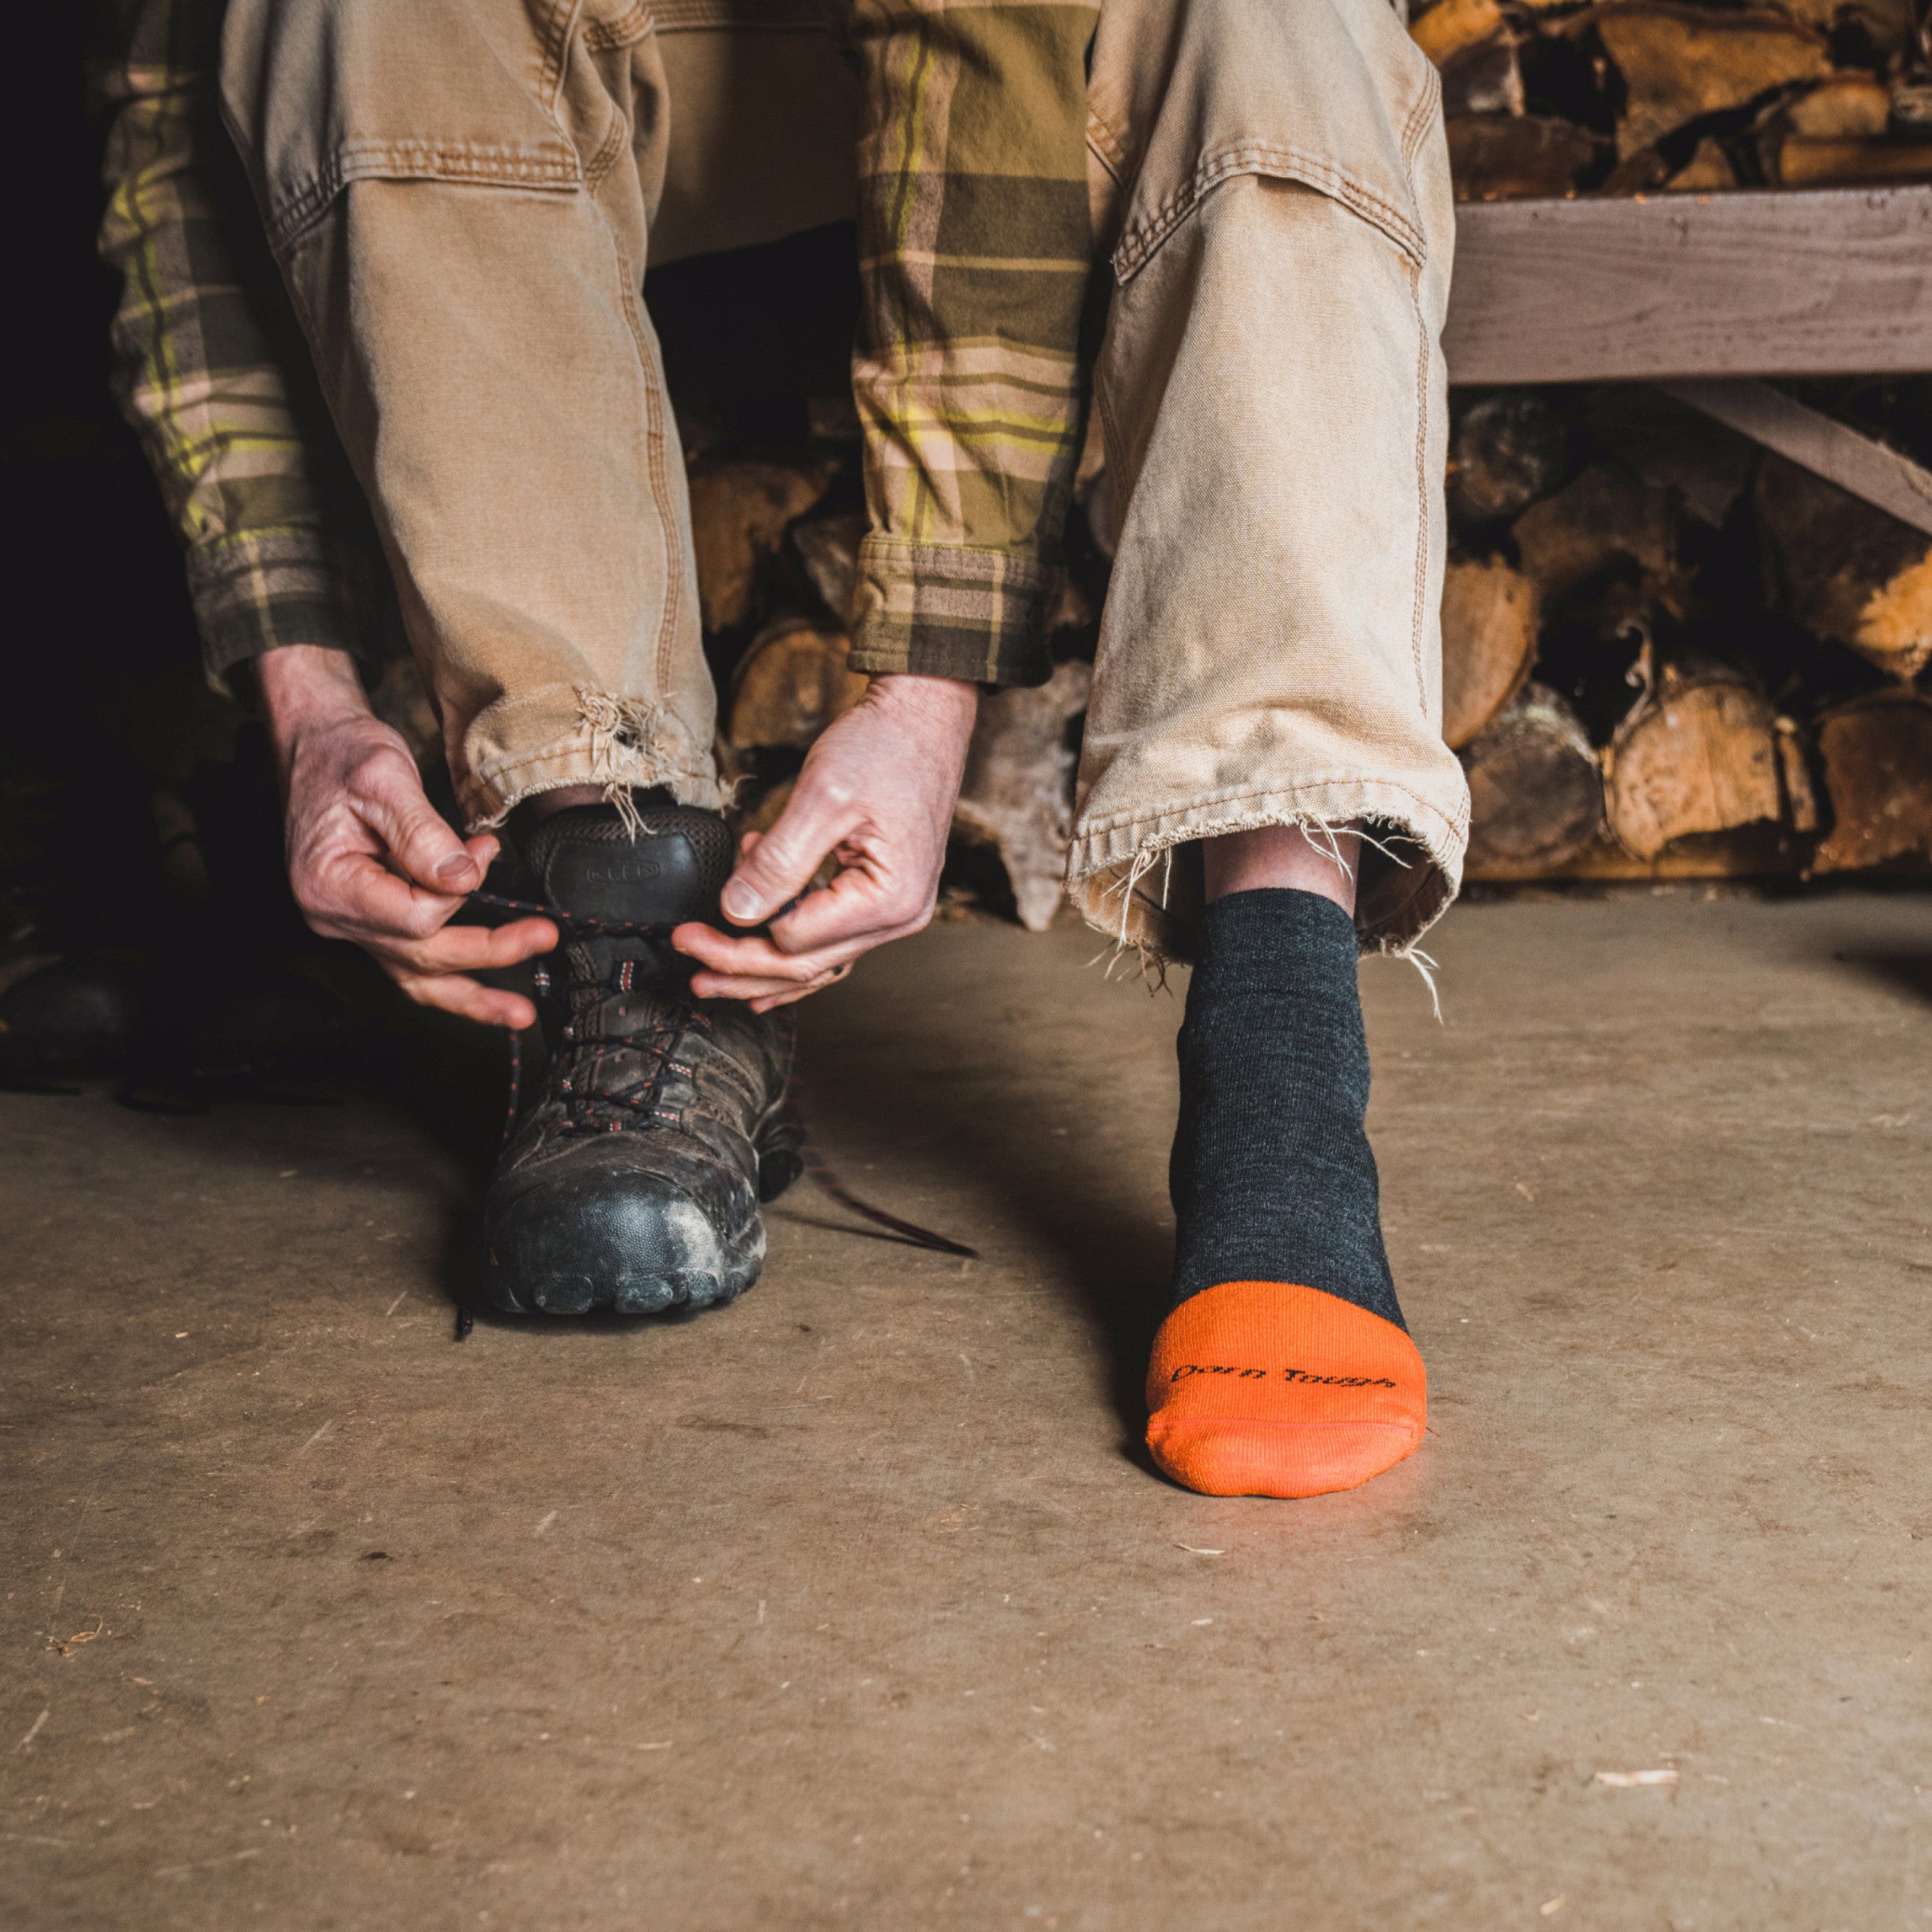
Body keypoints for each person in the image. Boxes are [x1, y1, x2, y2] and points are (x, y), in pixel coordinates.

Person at [99, 0, 1471, 1499]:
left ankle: (1280, 1028)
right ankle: (624, 908)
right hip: (634, 54)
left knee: (1274, 16)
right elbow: (175, 115)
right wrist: (309, 695)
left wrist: (923, 691)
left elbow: (982, 29)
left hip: (1063, 37)